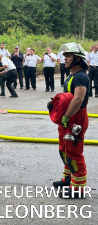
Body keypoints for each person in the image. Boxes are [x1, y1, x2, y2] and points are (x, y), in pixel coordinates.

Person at [48, 42, 89, 198]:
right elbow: (68, 97)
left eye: (68, 56)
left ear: (78, 59)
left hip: (75, 118)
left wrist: (65, 117)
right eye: (64, 56)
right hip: (68, 118)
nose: (65, 59)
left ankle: (78, 189)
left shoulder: (80, 76)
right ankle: (67, 179)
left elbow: (78, 99)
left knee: (74, 153)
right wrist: (55, 104)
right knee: (64, 149)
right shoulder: (73, 76)